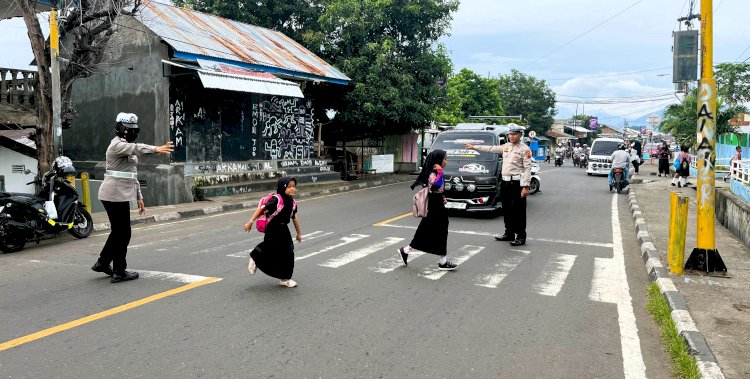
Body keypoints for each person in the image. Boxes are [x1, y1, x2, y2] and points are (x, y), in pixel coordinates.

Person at [91, 112, 174, 283]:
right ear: (120, 129)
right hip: (113, 194)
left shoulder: (126, 145)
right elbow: (136, 148)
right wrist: (156, 149)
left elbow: (131, 174)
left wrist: (139, 197)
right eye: (128, 129)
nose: (132, 132)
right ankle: (119, 271)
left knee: (118, 232)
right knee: (123, 233)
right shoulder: (117, 145)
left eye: (134, 129)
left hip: (120, 194)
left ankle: (103, 262)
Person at [465, 125, 532, 246]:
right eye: (510, 134)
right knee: (506, 209)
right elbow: (491, 148)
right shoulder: (506, 147)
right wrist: (474, 147)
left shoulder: (525, 149)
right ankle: (509, 233)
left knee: (519, 211)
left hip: (517, 183)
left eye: (514, 134)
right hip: (505, 182)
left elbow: (527, 169)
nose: (511, 136)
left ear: (520, 135)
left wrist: (525, 187)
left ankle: (521, 236)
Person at [397, 150, 457, 270]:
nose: (446, 161)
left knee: (430, 228)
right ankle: (442, 261)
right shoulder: (433, 172)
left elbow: (439, 189)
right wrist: (439, 171)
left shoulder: (437, 171)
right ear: (438, 160)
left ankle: (407, 250)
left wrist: (442, 197)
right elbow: (436, 185)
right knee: (438, 229)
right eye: (445, 158)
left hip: (437, 201)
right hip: (434, 204)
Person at [244, 177, 303, 287]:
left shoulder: (293, 202)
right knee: (270, 248)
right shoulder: (276, 200)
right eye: (289, 186)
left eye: (294, 186)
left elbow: (294, 218)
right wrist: (250, 222)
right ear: (283, 187)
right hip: (272, 228)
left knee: (289, 251)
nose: (292, 189)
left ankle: (285, 279)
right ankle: (255, 257)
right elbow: (261, 209)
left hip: (284, 228)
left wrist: (298, 233)